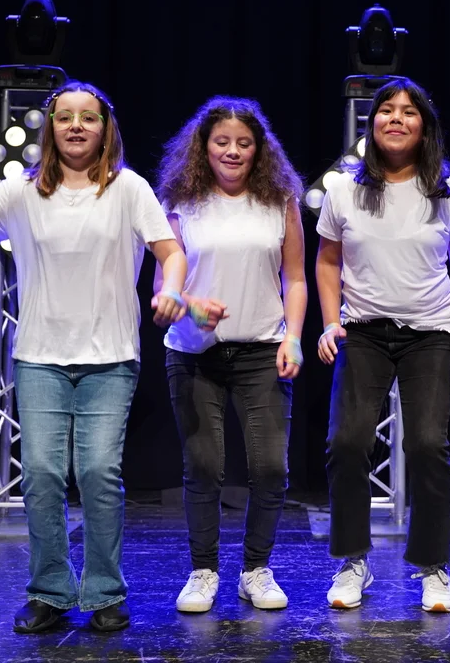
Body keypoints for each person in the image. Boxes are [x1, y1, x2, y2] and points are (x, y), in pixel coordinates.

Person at [0, 80, 215, 633]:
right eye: (65, 117)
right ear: (50, 127)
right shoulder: (21, 191)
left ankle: (105, 591)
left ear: (105, 128)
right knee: (41, 474)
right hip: (40, 356)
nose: (76, 126)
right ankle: (50, 591)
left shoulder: (128, 188)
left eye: (88, 117)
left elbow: (170, 251)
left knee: (97, 471)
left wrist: (173, 289)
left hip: (110, 357)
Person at [315, 77, 450, 613]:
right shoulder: (343, 190)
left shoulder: (448, 193)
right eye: (387, 109)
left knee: (428, 445)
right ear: (373, 123)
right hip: (363, 330)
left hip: (430, 332)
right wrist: (329, 323)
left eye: (409, 112)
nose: (396, 118)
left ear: (424, 127)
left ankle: (433, 567)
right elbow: (327, 261)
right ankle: (352, 562)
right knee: (347, 442)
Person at [155, 96, 306, 613]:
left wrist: (293, 336)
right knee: (203, 467)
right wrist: (190, 307)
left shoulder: (279, 201)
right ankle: (203, 572)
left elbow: (296, 278)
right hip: (194, 355)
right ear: (204, 146)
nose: (233, 151)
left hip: (263, 351)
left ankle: (255, 570)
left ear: (259, 149)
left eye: (244, 143)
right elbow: (162, 288)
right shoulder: (180, 202)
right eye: (222, 142)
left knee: (270, 469)